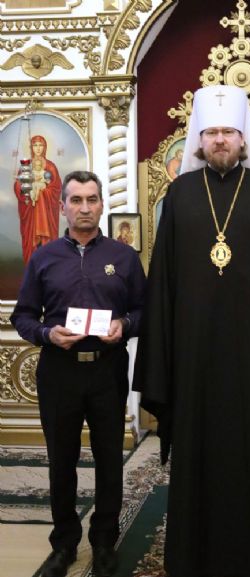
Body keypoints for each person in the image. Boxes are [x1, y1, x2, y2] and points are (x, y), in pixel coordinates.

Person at [133, 84, 250, 577]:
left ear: (243, 139)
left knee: (249, 455)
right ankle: (192, 558)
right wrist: (164, 355)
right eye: (212, 132)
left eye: (228, 132)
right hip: (192, 358)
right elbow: (164, 284)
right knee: (196, 457)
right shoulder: (179, 195)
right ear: (199, 139)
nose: (220, 140)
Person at [11, 170, 146, 577]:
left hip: (107, 370)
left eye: (91, 199)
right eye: (76, 200)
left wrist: (125, 324)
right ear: (62, 206)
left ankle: (104, 542)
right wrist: (48, 334)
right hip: (59, 372)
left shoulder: (124, 257)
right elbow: (23, 317)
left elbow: (145, 310)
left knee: (110, 458)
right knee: (61, 459)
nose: (84, 208)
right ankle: (64, 545)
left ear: (102, 205)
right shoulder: (44, 257)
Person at [14, 134, 62, 264]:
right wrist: (25, 189)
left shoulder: (50, 167)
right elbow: (18, 185)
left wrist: (43, 191)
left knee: (46, 246)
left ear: (45, 147)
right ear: (31, 147)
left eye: (41, 145)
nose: (38, 148)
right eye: (35, 145)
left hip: (46, 213)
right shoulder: (26, 167)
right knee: (31, 243)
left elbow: (57, 187)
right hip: (30, 212)